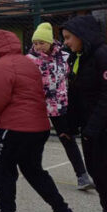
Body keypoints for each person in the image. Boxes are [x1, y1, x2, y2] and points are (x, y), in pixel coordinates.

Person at [0, 29, 76, 212]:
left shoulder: (1, 66)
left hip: (15, 127)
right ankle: (62, 209)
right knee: (33, 170)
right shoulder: (27, 62)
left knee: (3, 169)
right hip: (39, 126)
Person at [26, 22, 93, 190]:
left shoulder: (65, 55)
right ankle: (31, 171)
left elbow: (72, 76)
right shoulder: (29, 60)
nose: (38, 46)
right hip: (37, 107)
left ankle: (82, 176)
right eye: (35, 43)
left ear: (50, 42)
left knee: (67, 139)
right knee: (33, 140)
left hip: (60, 106)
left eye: (42, 42)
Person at [62, 15, 107, 212]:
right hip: (90, 127)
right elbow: (77, 95)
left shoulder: (101, 55)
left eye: (69, 37)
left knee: (101, 168)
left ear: (83, 35)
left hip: (99, 128)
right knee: (95, 168)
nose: (66, 42)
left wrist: (93, 128)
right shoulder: (78, 57)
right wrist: (70, 127)